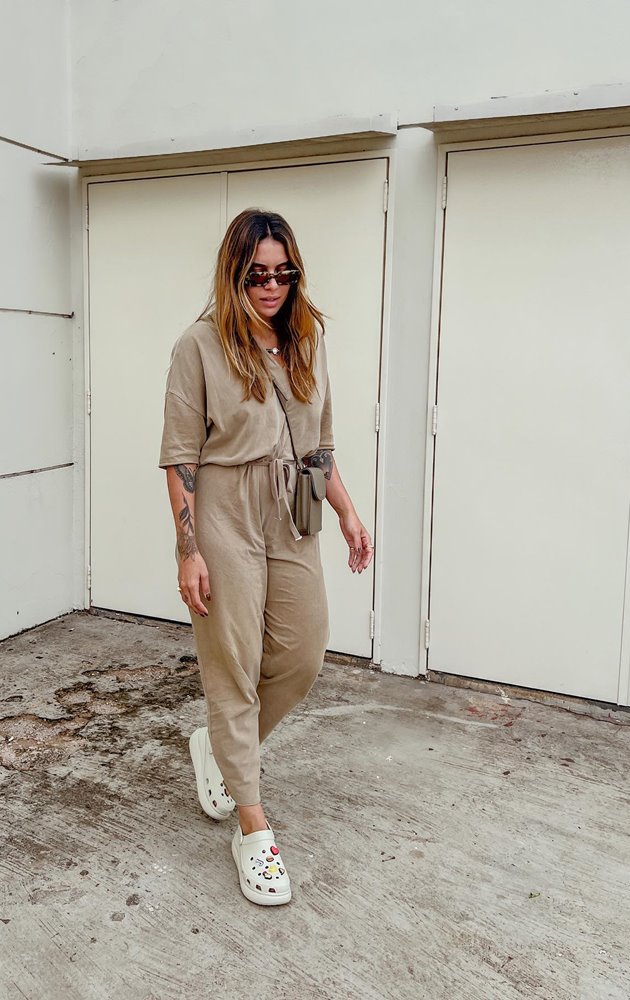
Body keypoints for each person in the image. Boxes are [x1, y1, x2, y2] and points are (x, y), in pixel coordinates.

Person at [158, 208, 373, 906]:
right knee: (233, 662)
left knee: (305, 649)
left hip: (296, 510)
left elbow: (320, 444)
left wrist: (346, 511)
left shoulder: (306, 339)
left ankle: (219, 750)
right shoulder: (199, 346)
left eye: (285, 273)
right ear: (235, 274)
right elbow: (180, 457)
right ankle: (251, 825)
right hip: (225, 509)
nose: (273, 286)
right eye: (258, 275)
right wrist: (188, 548)